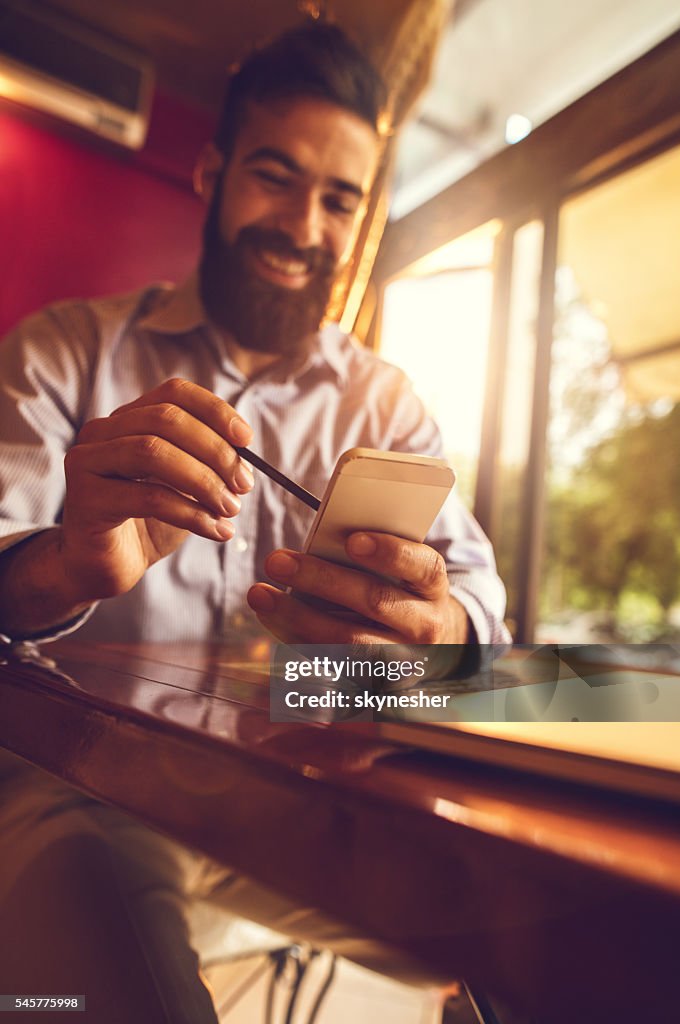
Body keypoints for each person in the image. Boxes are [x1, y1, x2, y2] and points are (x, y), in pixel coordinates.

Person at [0, 21, 510, 1022]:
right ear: (211, 169)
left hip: (313, 811)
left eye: (339, 199)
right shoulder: (66, 352)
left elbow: (483, 629)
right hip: (88, 786)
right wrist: (64, 561)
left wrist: (433, 634)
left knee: (566, 944)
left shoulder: (389, 408)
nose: (304, 224)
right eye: (276, 176)